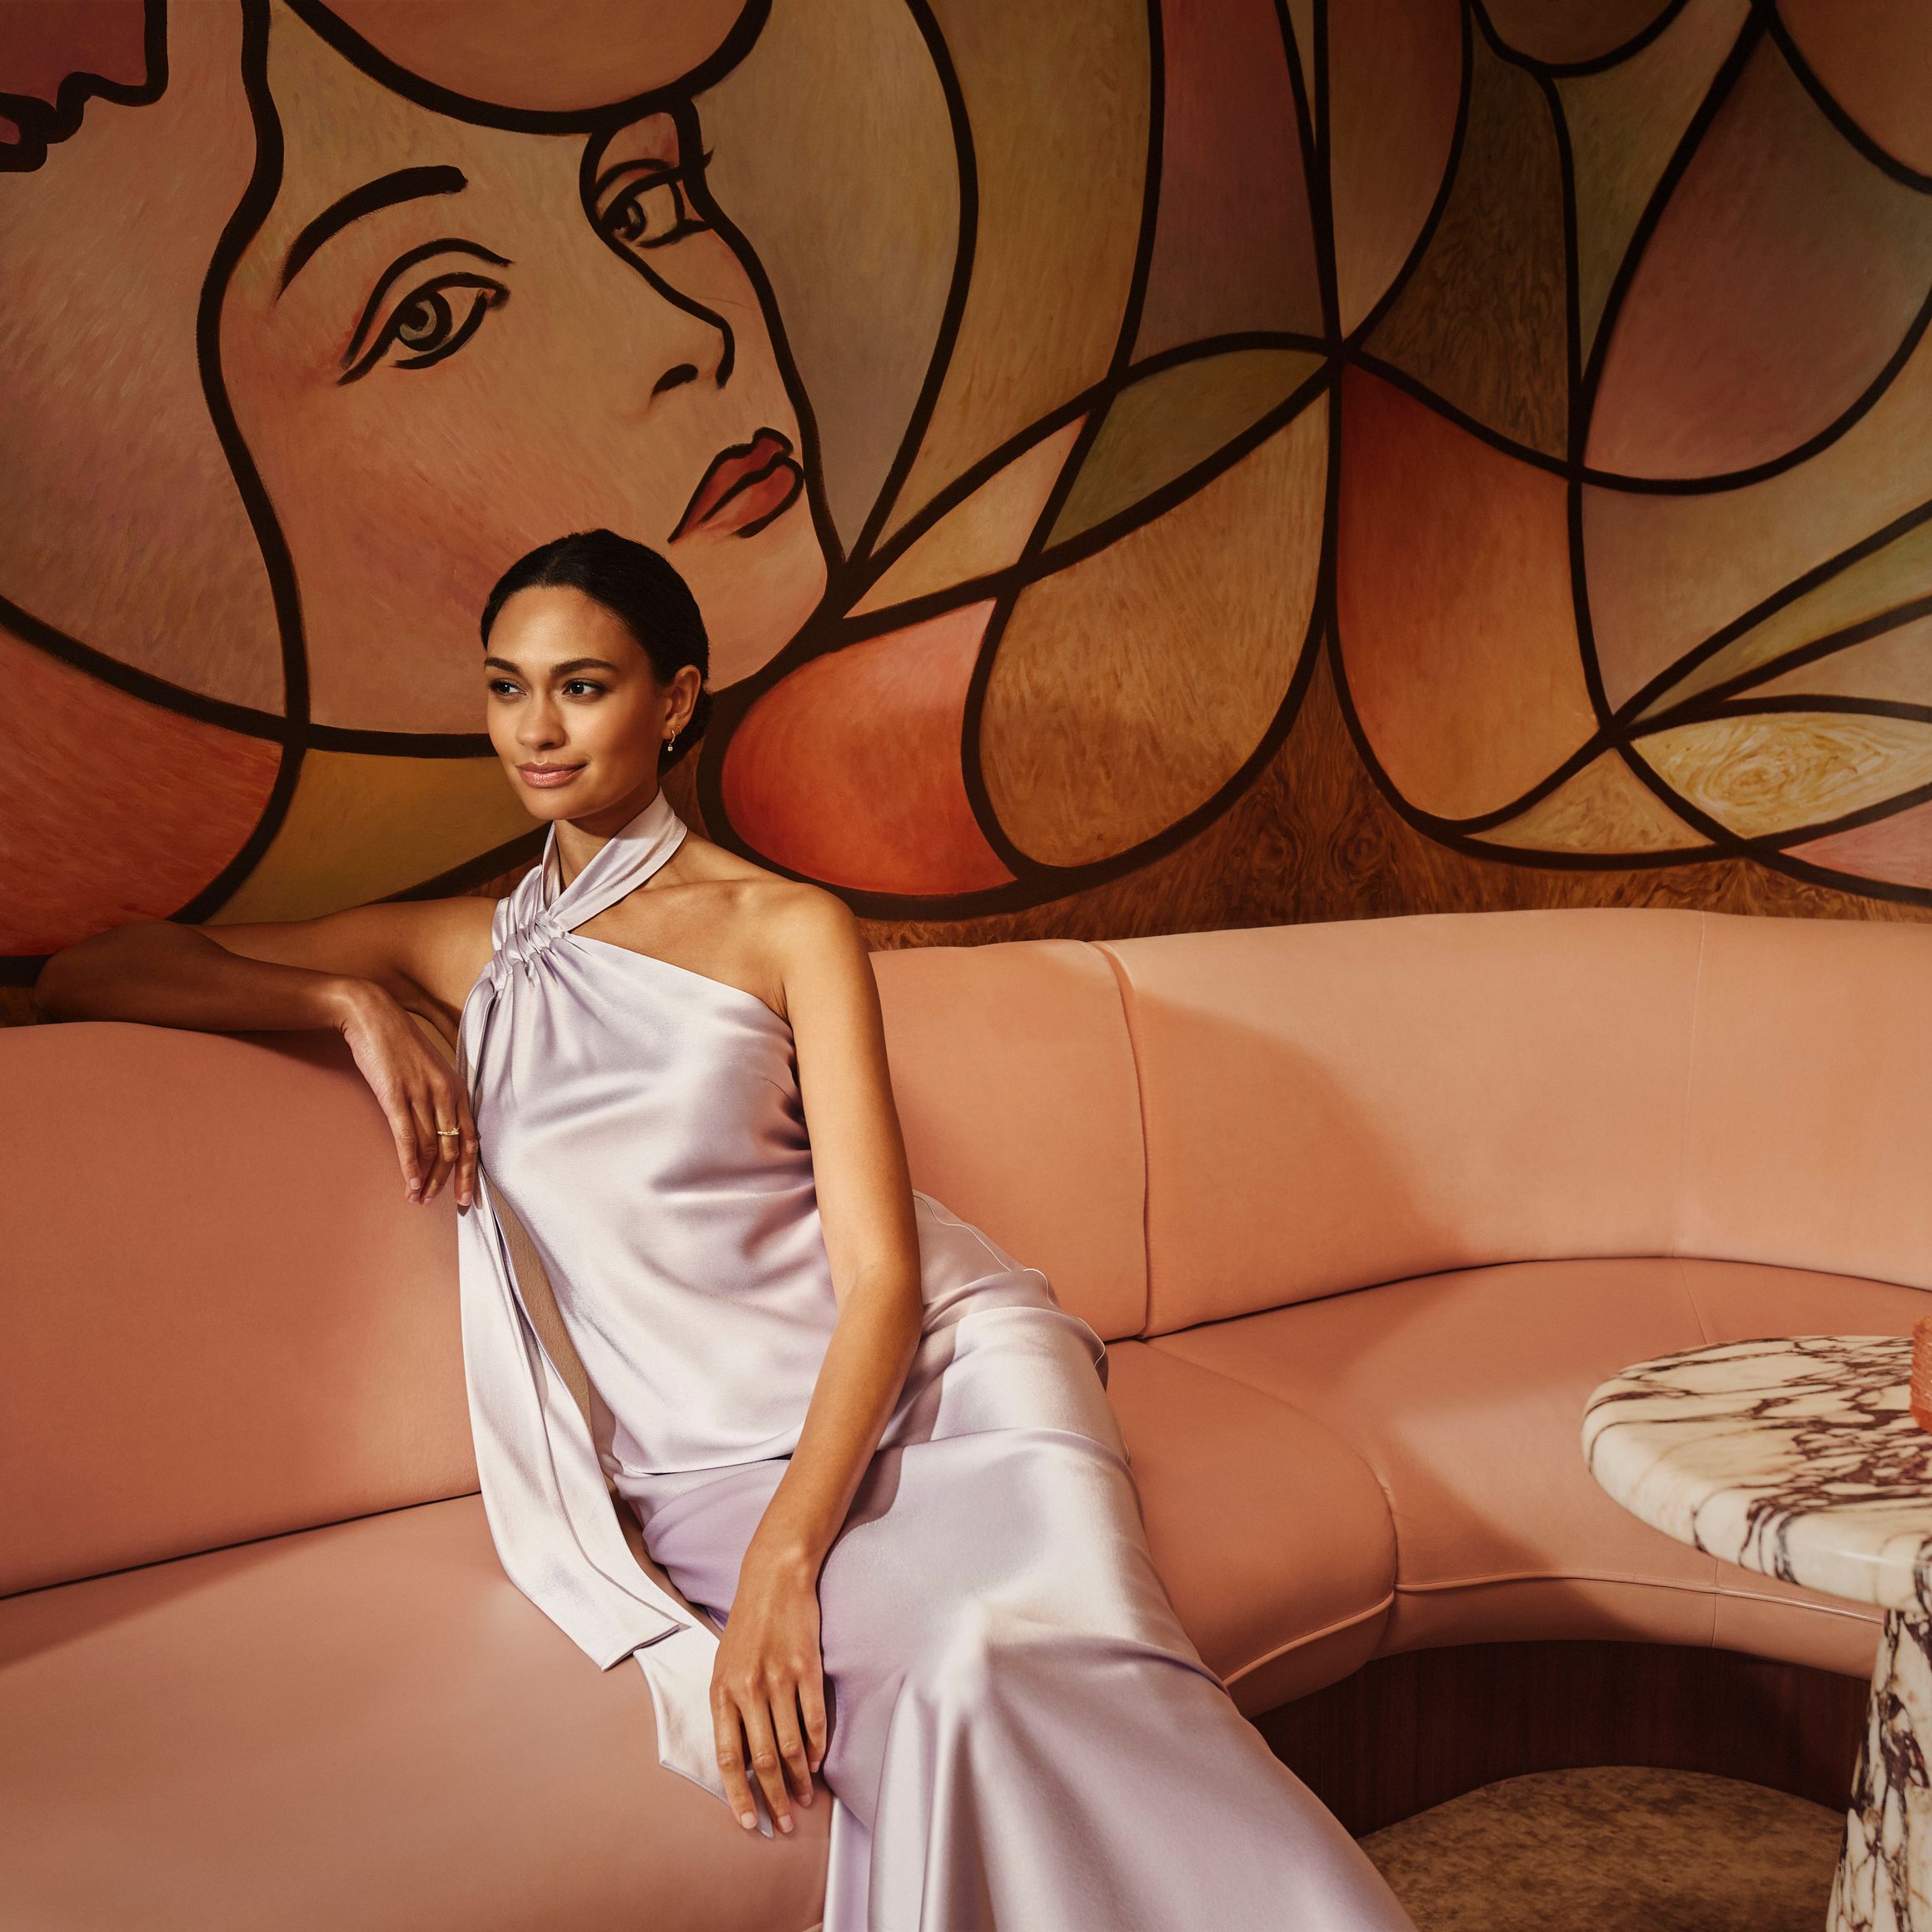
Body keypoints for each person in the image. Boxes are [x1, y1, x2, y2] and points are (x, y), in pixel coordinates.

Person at [35, 529, 1414, 1932]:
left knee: (1014, 1656)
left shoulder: (788, 926)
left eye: (582, 686)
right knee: (954, 1679)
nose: (537, 729)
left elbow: (881, 1278)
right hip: (685, 1467)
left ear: (676, 701)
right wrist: (346, 1004)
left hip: (914, 1399)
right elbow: (94, 965)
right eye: (508, 688)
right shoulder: (464, 950)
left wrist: (784, 1564)